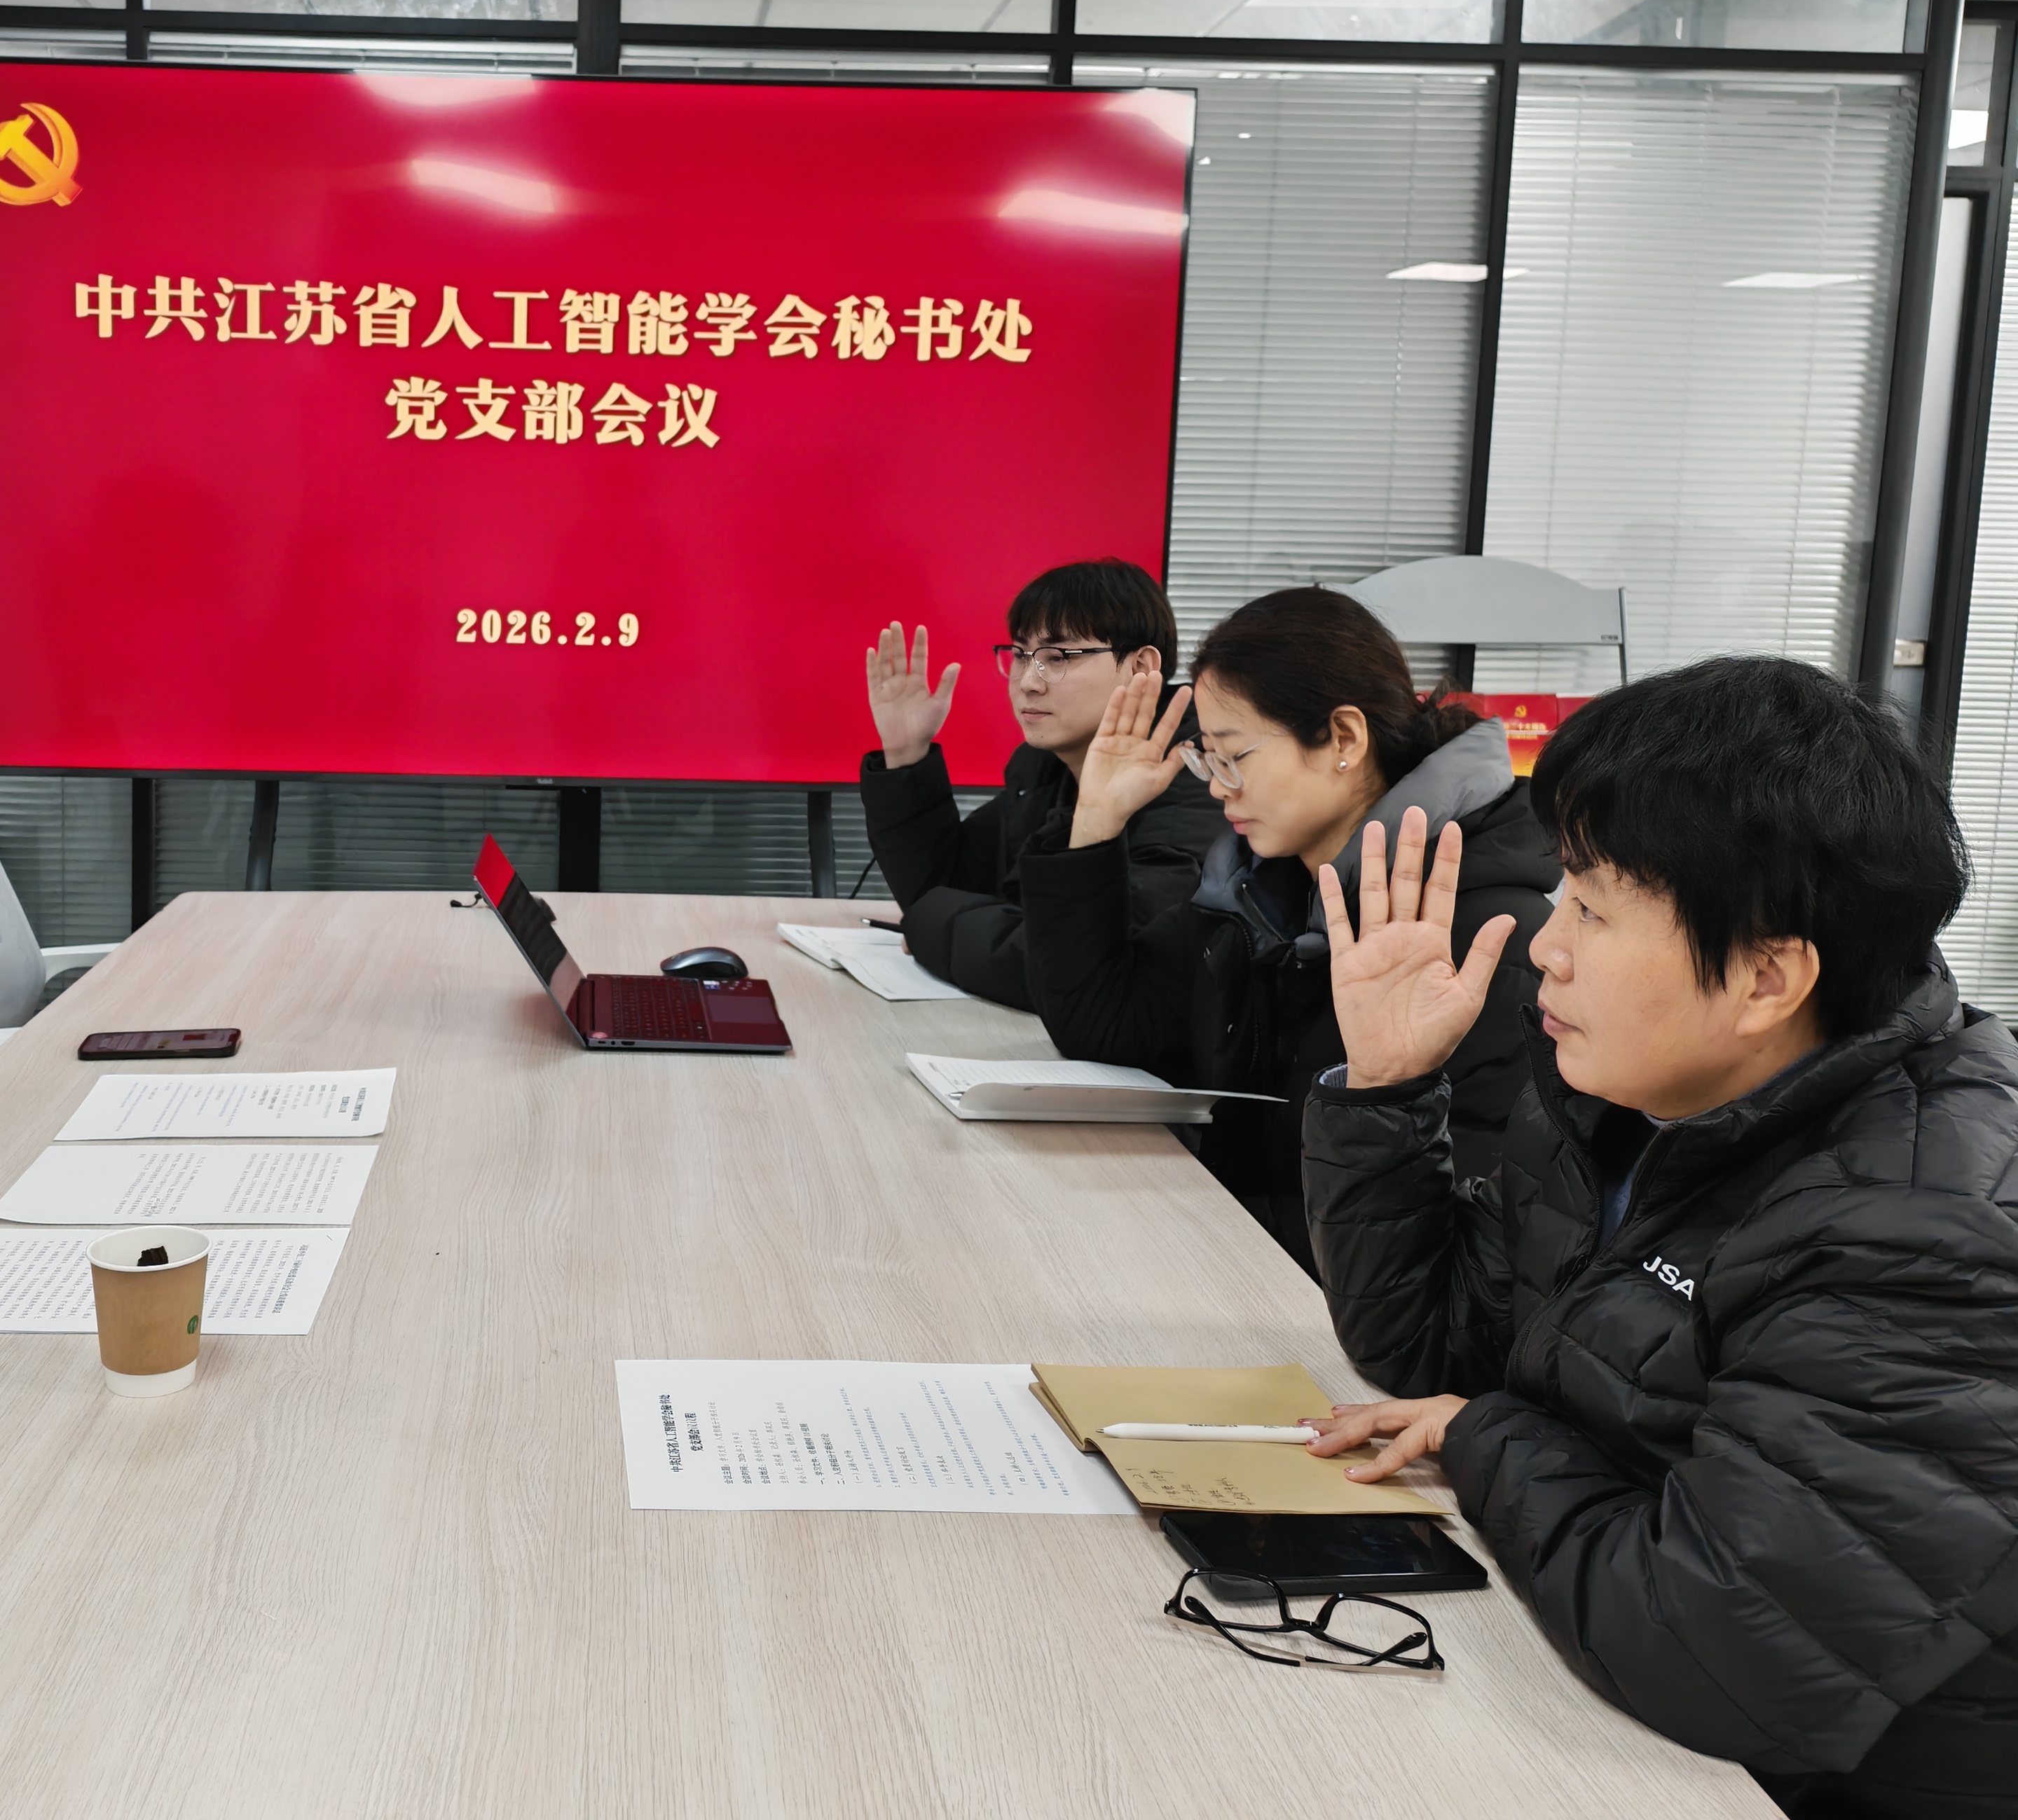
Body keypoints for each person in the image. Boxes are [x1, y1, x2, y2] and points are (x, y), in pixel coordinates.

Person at [1298, 656, 2017, 1816]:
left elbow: (1718, 1648)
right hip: (1610, 1717)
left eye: (1592, 907)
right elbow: (1433, 1348)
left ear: (1767, 976)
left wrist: (1484, 1436)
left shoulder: (1930, 1233)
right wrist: (1386, 1090)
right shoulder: (1634, 1095)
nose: (1546, 944)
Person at [1021, 585, 1558, 1266]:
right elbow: (1104, 1026)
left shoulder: (1485, 941)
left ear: (1344, 738)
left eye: (1233, 756)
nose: (1216, 787)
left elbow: (1461, 1253)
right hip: (1225, 1269)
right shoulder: (1260, 889)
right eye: (1206, 758)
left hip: (1323, 1314)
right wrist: (1096, 822)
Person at [857, 560, 1224, 1009]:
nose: (1028, 683)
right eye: (1020, 654)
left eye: (1059, 657)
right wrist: (905, 754)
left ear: (1140, 666)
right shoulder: (1044, 766)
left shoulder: (1195, 777)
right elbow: (946, 886)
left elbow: (1077, 967)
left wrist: (931, 924)